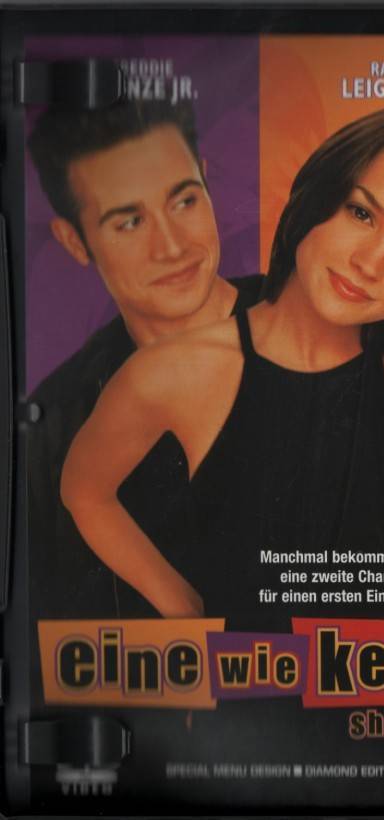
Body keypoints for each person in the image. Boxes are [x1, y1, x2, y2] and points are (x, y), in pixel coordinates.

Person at [61, 104, 384, 624]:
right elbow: (84, 489)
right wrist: (184, 609)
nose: (369, 263)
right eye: (361, 213)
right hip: (251, 674)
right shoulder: (174, 372)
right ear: (319, 196)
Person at [26, 98, 263, 617]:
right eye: (130, 222)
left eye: (184, 201)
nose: (172, 246)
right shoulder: (54, 428)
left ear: (206, 182)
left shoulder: (318, 323)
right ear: (74, 241)